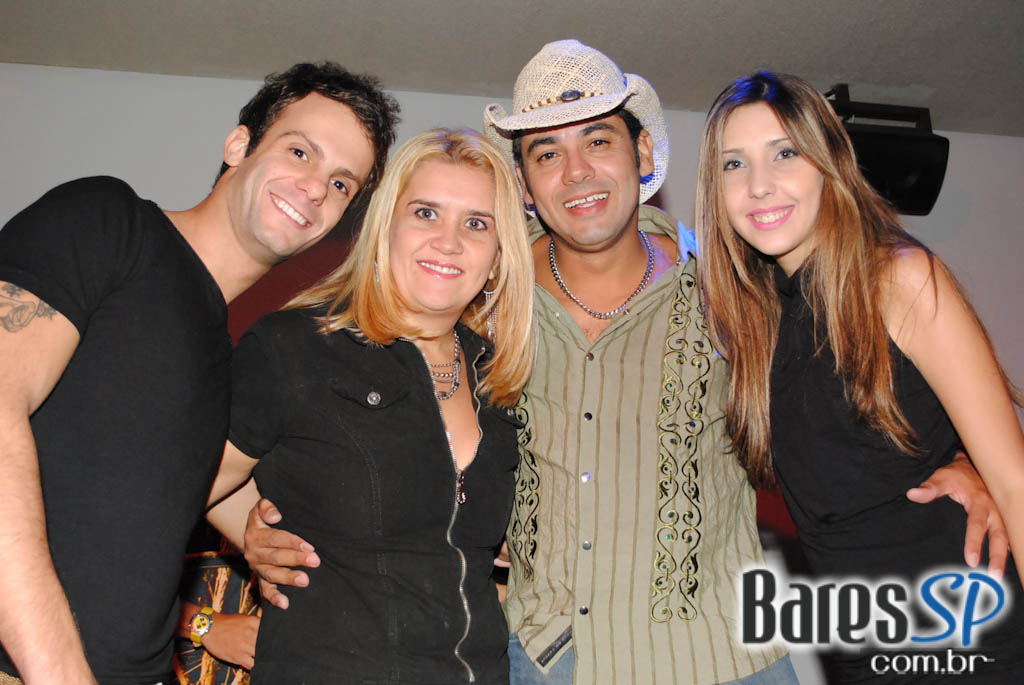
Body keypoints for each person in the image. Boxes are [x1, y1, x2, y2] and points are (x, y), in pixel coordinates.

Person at [242, 42, 1007, 685]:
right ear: (525, 185)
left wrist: (960, 457)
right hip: (546, 662)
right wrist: (259, 520)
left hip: (724, 661)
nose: (576, 172)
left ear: (642, 154)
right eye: (547, 153)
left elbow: (853, 393)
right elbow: (343, 429)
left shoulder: (735, 295)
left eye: (598, 141)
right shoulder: (481, 305)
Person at [0, 61, 398, 685]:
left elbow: (150, 481)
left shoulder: (221, 354)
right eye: (300, 151)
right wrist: (58, 671)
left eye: (342, 183)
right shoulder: (109, 220)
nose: (316, 188)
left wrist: (257, 532)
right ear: (238, 145)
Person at [695, 70, 1024, 682]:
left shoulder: (895, 277)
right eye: (734, 165)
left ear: (830, 165)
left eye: (785, 153)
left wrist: (972, 468)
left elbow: (1013, 480)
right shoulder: (756, 329)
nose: (759, 184)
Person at [204, 128, 535, 683]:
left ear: (500, 257)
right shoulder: (297, 348)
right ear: (386, 228)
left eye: (477, 224)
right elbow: (179, 486)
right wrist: (253, 536)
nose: (449, 242)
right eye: (426, 213)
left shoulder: (502, 384)